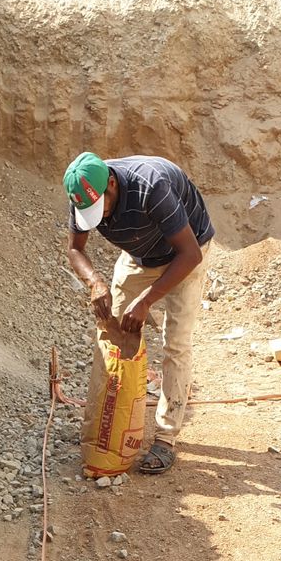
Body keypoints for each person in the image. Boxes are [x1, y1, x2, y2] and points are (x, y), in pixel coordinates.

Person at [64, 151, 214, 475]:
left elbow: (190, 254)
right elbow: (75, 248)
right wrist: (95, 281)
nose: (98, 219)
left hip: (185, 253)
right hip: (139, 255)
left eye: (100, 209)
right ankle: (108, 424)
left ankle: (166, 438)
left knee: (175, 344)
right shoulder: (82, 190)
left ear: (112, 184)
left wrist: (146, 301)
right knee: (113, 335)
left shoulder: (151, 187)